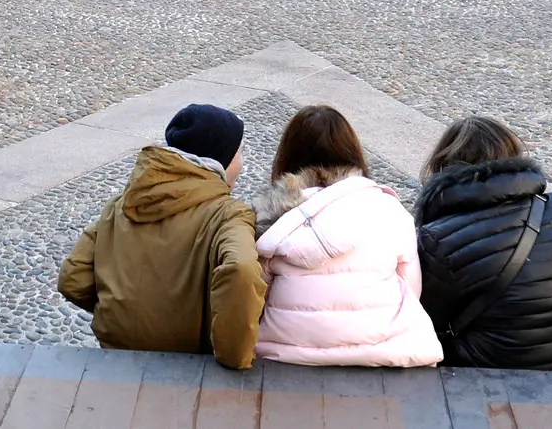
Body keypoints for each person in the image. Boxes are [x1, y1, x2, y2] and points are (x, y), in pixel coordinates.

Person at [59, 104, 265, 369]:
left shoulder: (122, 204)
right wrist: (233, 356)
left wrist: (121, 314)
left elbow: (73, 277)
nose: (243, 164)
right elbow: (241, 270)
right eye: (239, 153)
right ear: (221, 158)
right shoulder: (228, 215)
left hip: (117, 355)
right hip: (190, 365)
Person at [413, 116, 552, 372]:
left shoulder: (436, 238)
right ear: (513, 158)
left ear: (444, 167)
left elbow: (427, 322)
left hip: (499, 374)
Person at [251, 106, 441, 367]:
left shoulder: (269, 216)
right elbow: (410, 288)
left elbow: (256, 295)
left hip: (286, 354)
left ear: (286, 157)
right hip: (388, 351)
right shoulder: (387, 209)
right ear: (353, 153)